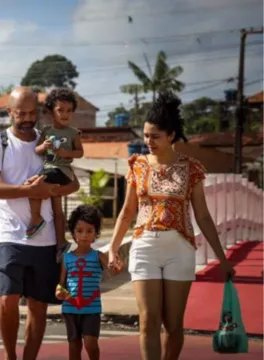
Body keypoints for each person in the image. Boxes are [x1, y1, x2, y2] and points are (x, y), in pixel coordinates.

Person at [106, 92, 236, 360]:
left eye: (155, 136)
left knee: (173, 325)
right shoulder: (138, 165)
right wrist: (113, 248)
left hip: (180, 250)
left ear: (171, 135)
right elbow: (127, 211)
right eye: (145, 135)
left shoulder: (192, 168)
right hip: (144, 247)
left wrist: (222, 258)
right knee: (147, 321)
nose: (148, 142)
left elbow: (203, 216)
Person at [0, 86, 80, 360]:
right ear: (9, 112)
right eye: (20, 113)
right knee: (7, 300)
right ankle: (10, 356)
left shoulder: (49, 140)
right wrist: (29, 191)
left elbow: (72, 183)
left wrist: (52, 191)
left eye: (31, 112)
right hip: (10, 236)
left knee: (38, 308)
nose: (26, 118)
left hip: (46, 240)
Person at [56, 205, 120, 360]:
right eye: (79, 231)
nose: (84, 235)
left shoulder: (98, 256)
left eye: (89, 231)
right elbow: (61, 282)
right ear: (73, 233)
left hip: (91, 308)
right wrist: (59, 291)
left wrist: (116, 263)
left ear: (96, 234)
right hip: (71, 307)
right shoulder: (67, 258)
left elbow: (115, 269)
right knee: (74, 345)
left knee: (91, 343)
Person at [27, 89, 84, 259]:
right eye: (60, 110)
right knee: (57, 210)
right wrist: (43, 147)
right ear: (52, 111)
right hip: (50, 168)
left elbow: (79, 152)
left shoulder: (74, 133)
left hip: (62, 171)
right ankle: (61, 242)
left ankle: (36, 219)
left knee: (33, 185)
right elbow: (37, 150)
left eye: (69, 111)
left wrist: (66, 153)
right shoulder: (46, 131)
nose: (65, 114)